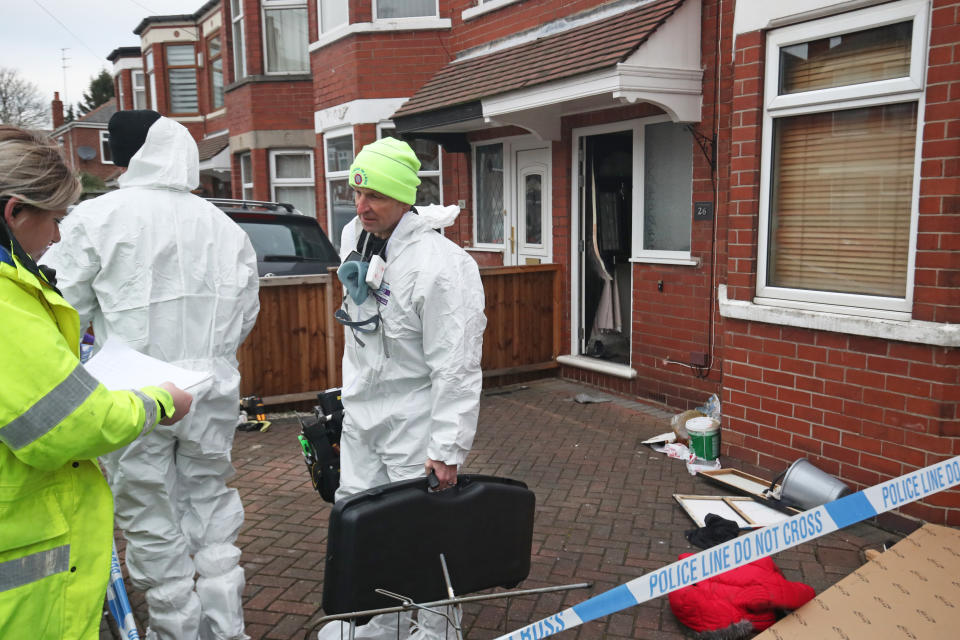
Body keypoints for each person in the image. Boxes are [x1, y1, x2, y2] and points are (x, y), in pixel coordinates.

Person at [42, 111, 260, 640]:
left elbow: (56, 307)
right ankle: (225, 629)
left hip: (135, 394)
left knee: (149, 517)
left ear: (124, 154)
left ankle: (175, 631)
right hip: (209, 391)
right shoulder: (223, 225)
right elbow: (246, 311)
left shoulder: (96, 218)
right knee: (210, 508)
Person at [0, 124, 193, 640]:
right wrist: (155, 403)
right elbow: (65, 424)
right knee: (194, 519)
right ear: (14, 212)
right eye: (55, 218)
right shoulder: (5, 302)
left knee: (154, 520)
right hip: (25, 579)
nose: (59, 235)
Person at [320, 137, 487, 640]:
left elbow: (456, 365)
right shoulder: (359, 237)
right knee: (364, 524)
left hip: (414, 421)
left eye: (376, 196)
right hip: (364, 416)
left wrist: (447, 447)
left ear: (404, 198)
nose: (362, 206)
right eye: (357, 193)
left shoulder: (443, 267)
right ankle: (383, 624)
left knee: (423, 534)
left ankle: (438, 631)